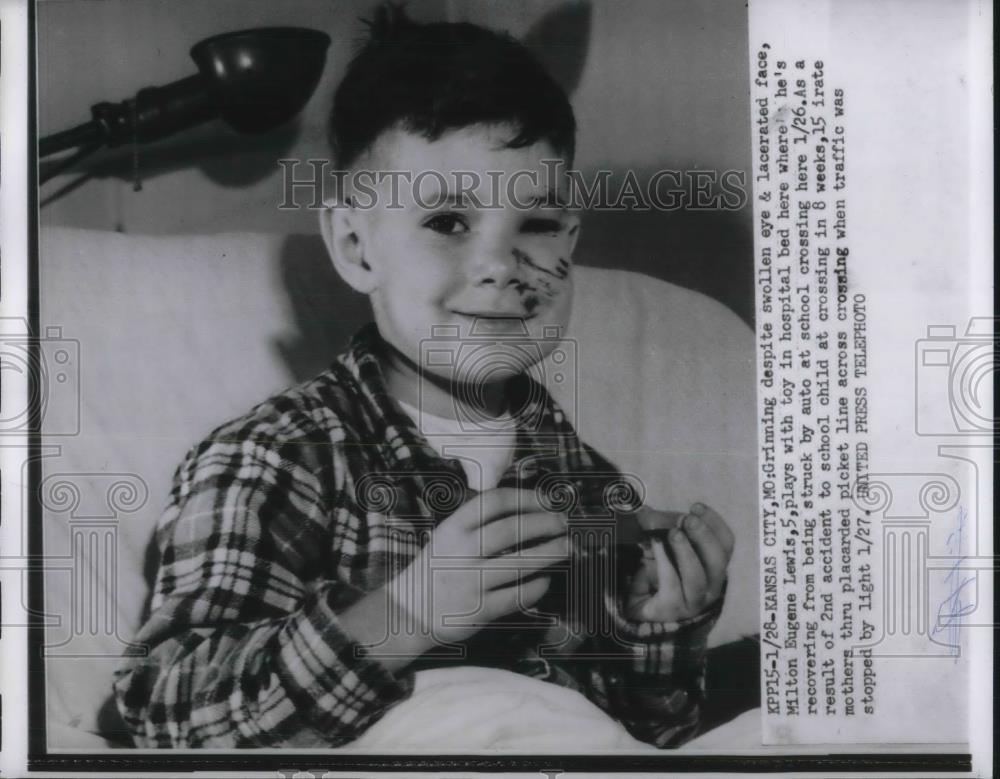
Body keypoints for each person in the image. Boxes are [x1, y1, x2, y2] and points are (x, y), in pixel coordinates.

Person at [112, 6, 735, 749]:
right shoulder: (279, 458)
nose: (502, 266)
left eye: (536, 225)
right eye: (447, 222)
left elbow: (647, 739)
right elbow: (166, 714)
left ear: (571, 241)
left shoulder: (591, 486)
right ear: (354, 245)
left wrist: (658, 630)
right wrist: (403, 616)